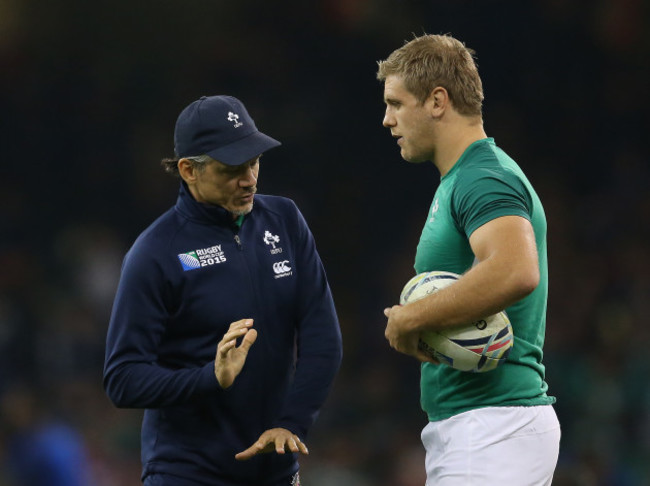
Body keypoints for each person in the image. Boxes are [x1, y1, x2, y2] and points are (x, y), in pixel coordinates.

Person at [103, 95, 343, 486]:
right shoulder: (155, 252)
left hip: (276, 474)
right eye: (232, 168)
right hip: (188, 473)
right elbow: (122, 378)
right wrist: (209, 378)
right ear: (188, 170)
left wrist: (292, 423)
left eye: (254, 162)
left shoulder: (285, 221)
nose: (249, 179)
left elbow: (323, 338)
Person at [378, 34, 561, 484]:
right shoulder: (461, 178)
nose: (387, 119)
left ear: (437, 100)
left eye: (396, 103)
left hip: (493, 425)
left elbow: (516, 270)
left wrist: (409, 319)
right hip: (477, 426)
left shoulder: (483, 176)